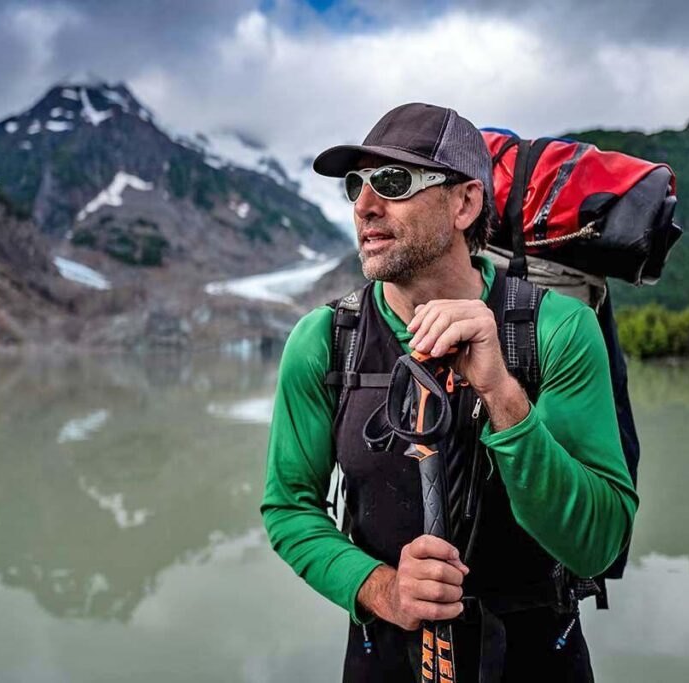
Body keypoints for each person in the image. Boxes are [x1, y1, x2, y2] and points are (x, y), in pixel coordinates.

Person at [260, 103, 638, 681]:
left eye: (393, 181)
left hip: (536, 656)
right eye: (356, 185)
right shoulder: (323, 342)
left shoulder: (554, 330)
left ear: (465, 202)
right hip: (385, 654)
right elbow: (289, 509)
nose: (364, 204)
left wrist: (502, 396)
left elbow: (597, 544)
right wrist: (380, 588)